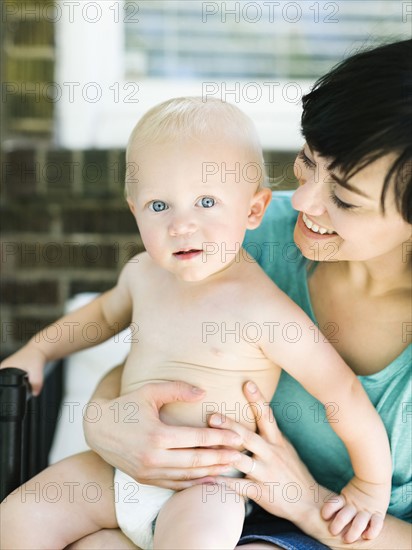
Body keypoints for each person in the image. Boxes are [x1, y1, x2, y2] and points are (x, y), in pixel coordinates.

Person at [0, 95, 394, 550]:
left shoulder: (264, 309)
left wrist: (370, 484)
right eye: (159, 206)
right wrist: (39, 351)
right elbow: (100, 317)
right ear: (134, 210)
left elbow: (340, 392)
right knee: (17, 518)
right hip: (116, 467)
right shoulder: (144, 273)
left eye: (206, 201)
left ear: (253, 210)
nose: (182, 225)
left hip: (210, 486)